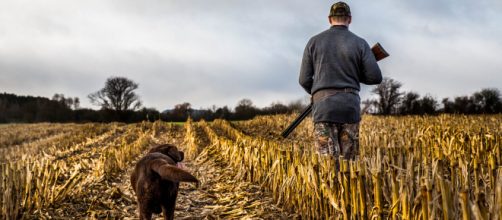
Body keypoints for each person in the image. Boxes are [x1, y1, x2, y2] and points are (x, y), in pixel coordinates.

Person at [299, 2, 382, 165]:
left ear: (330, 19)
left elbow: (303, 79)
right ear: (349, 19)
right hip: (349, 107)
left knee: (327, 165)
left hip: (323, 108)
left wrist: (317, 94)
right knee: (349, 165)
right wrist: (354, 73)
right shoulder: (360, 43)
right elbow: (375, 77)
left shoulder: (313, 42)